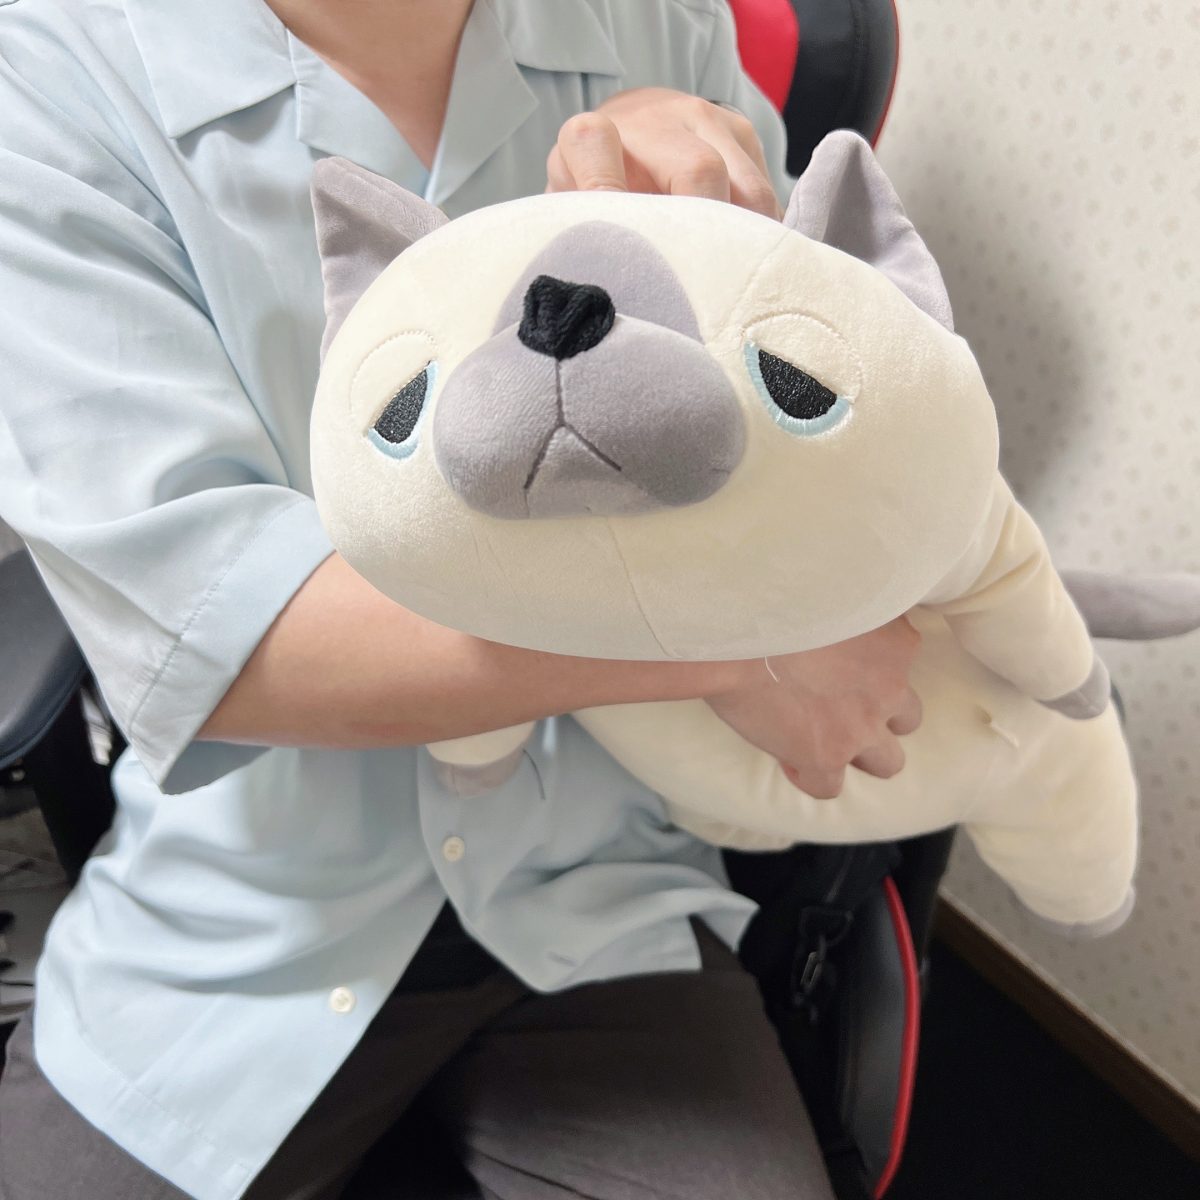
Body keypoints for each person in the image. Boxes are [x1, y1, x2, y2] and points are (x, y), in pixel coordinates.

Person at [0, 2, 922, 1197]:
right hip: (250, 916)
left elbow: (832, 417)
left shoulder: (661, 21)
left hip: (604, 878)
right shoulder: (52, 72)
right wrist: (740, 651)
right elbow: (231, 642)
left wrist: (714, 230)